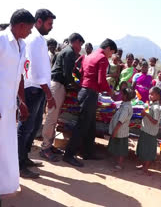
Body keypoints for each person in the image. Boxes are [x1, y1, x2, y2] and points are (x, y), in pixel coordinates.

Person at [63, 38, 117, 167]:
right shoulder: (102, 58)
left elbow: (81, 73)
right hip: (90, 93)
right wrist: (110, 92)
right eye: (112, 52)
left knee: (90, 125)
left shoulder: (88, 56)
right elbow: (101, 81)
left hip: (85, 91)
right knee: (82, 125)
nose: (111, 56)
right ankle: (69, 154)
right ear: (108, 48)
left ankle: (88, 152)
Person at [17, 9, 56, 179]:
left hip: (39, 89)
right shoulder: (34, 40)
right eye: (49, 23)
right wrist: (49, 93)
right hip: (33, 89)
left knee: (33, 127)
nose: (51, 27)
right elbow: (34, 70)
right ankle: (19, 164)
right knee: (25, 128)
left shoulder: (39, 40)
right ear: (39, 22)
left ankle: (25, 158)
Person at [0, 8, 34, 197]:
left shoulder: (22, 45)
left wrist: (21, 102)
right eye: (29, 28)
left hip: (10, 105)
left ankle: (6, 185)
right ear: (21, 26)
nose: (30, 32)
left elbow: (19, 76)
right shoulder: (2, 41)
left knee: (6, 145)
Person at [40, 33, 85, 161]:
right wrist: (77, 86)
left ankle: (49, 144)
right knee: (52, 116)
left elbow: (72, 70)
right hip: (58, 84)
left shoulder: (66, 51)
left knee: (54, 117)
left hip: (58, 85)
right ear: (76, 41)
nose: (79, 47)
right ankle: (45, 148)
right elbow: (67, 74)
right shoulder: (69, 52)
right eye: (80, 44)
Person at [136, 87, 161, 175]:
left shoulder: (156, 108)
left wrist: (146, 114)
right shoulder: (150, 105)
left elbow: (155, 121)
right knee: (143, 149)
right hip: (145, 129)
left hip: (151, 132)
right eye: (149, 94)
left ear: (158, 96)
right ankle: (143, 165)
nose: (150, 96)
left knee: (148, 151)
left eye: (152, 94)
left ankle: (146, 167)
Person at [108, 88, 135, 169]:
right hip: (119, 131)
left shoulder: (126, 108)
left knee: (121, 148)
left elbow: (120, 121)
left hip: (120, 131)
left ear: (126, 96)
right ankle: (117, 161)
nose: (121, 95)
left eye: (122, 94)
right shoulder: (124, 104)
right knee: (118, 147)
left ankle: (120, 163)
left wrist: (115, 131)